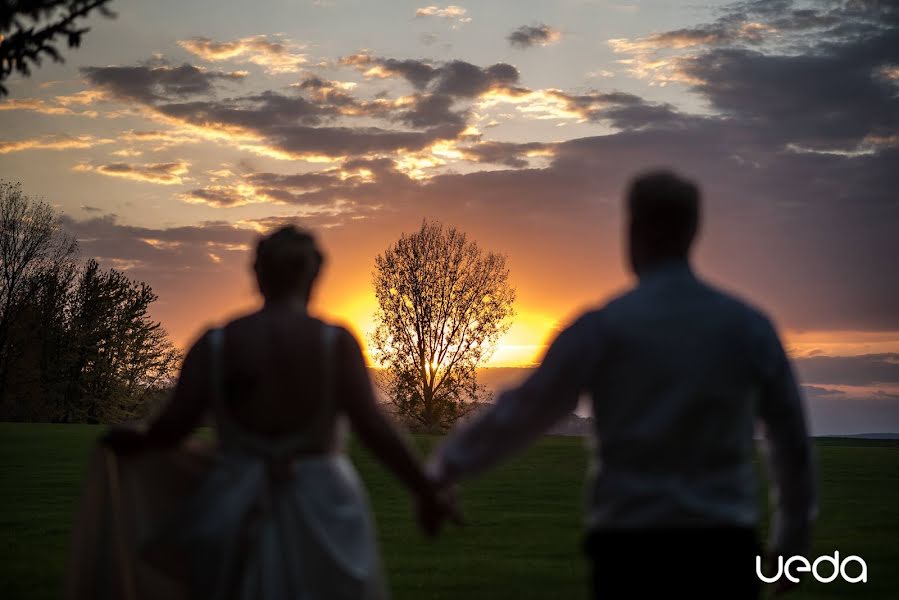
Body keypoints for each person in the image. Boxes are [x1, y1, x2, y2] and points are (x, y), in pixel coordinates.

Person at [428, 170, 817, 599]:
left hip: (629, 549)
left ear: (633, 230)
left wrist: (445, 468)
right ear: (692, 231)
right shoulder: (750, 329)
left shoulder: (603, 328)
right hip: (723, 546)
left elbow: (525, 410)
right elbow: (791, 444)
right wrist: (791, 545)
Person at [85, 225, 457, 600]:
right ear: (313, 274)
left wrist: (139, 439)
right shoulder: (335, 343)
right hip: (323, 505)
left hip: (231, 504)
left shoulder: (216, 344)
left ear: (257, 273)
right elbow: (373, 427)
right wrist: (424, 490)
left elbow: (173, 428)